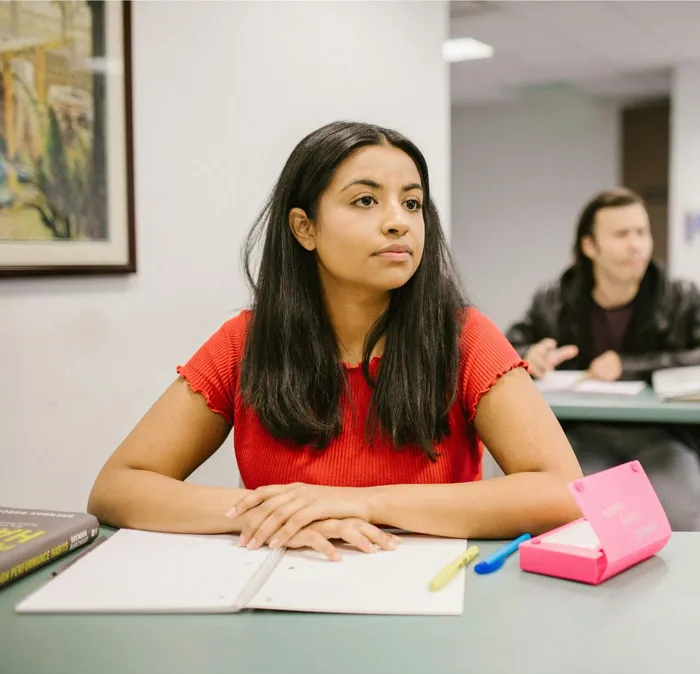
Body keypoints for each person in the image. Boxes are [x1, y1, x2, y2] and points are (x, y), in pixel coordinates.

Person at [88, 121, 581, 560]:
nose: (399, 221)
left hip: (425, 604)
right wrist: (277, 514)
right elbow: (119, 487)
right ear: (305, 228)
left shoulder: (466, 337)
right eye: (366, 200)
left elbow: (563, 491)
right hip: (284, 591)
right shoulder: (245, 342)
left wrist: (360, 502)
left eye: (412, 203)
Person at [506, 187, 700, 531]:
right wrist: (529, 358)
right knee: (577, 524)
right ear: (590, 246)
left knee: (687, 521)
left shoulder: (681, 297)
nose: (636, 244)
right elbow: (509, 348)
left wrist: (627, 367)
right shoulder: (554, 299)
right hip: (579, 437)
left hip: (664, 436)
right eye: (622, 234)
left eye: (641, 233)